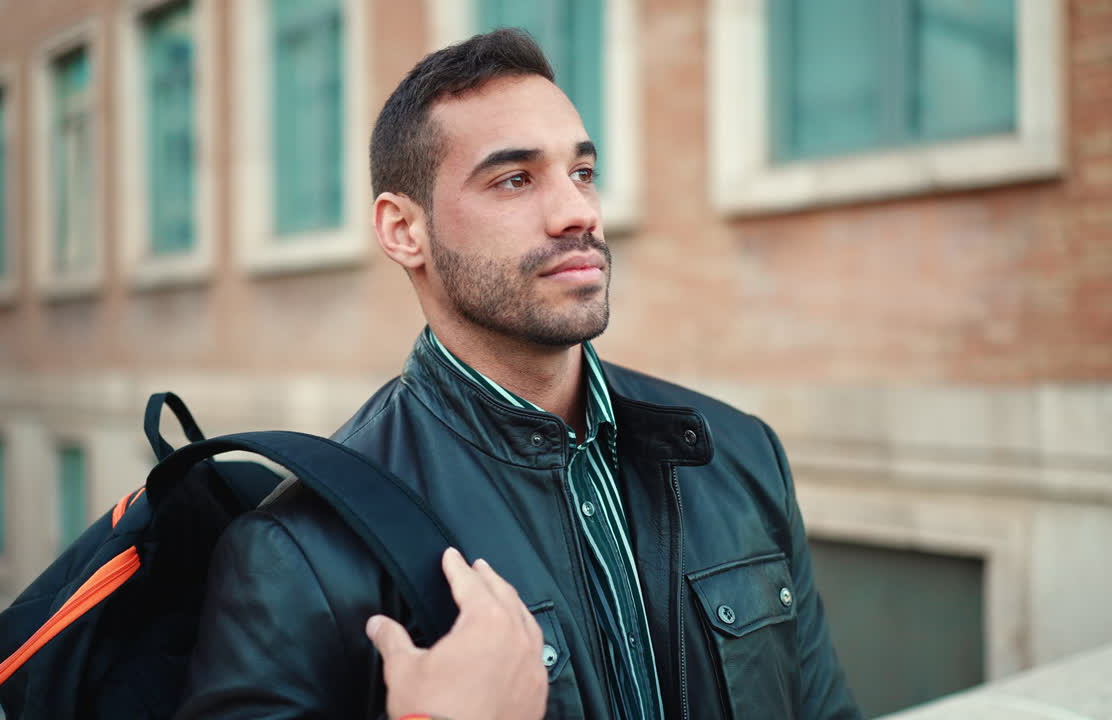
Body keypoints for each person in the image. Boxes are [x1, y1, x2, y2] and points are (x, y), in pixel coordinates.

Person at [177, 29, 860, 720]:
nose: (579, 212)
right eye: (514, 179)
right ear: (403, 231)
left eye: (583, 172)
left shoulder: (741, 456)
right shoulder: (303, 550)